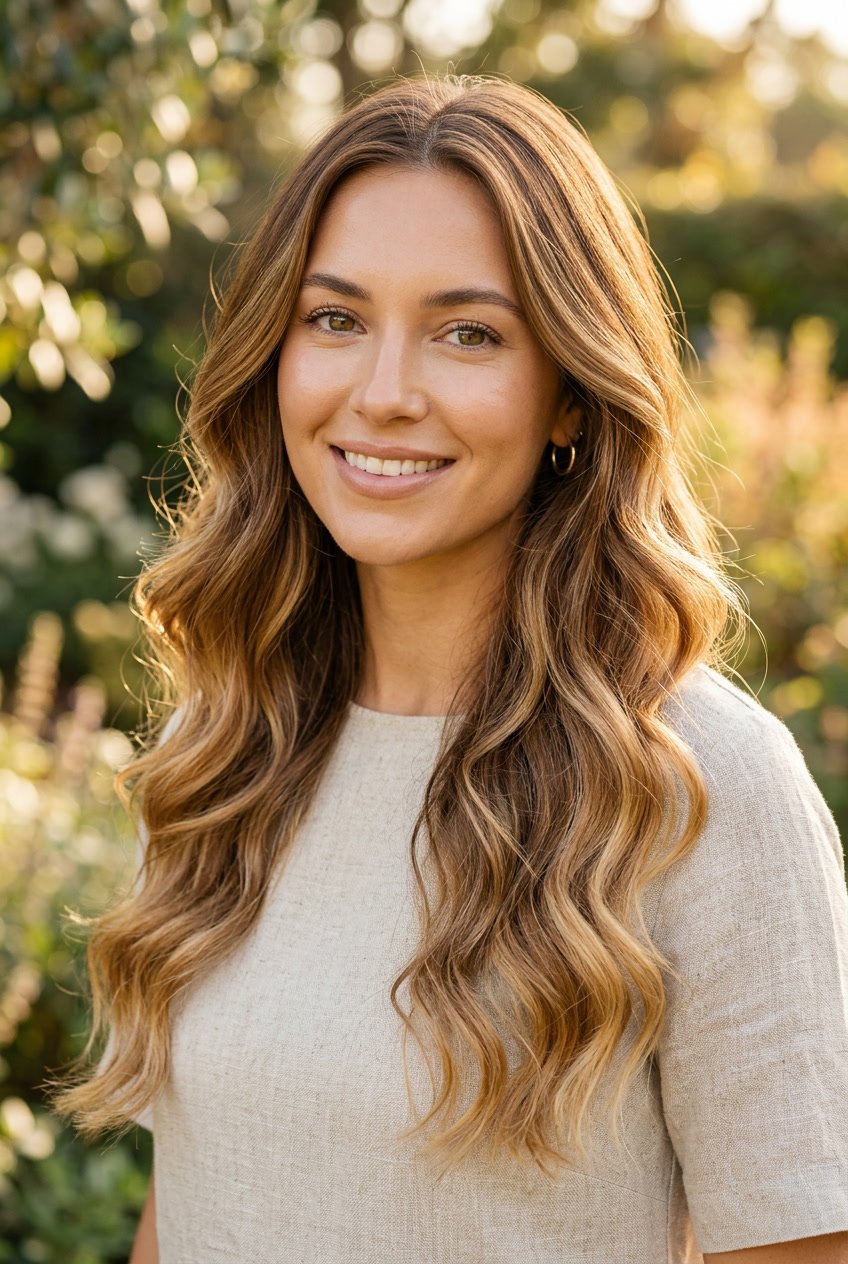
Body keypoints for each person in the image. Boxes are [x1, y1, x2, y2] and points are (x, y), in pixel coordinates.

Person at [52, 73, 848, 1264]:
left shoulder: (702, 783)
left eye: (466, 333)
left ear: (570, 395)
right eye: (334, 319)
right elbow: (198, 1210)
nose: (382, 393)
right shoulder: (226, 751)